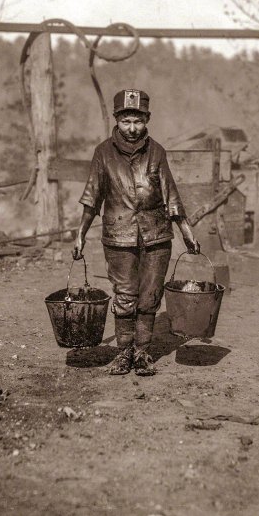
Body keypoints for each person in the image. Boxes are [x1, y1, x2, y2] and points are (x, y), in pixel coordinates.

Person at [72, 89, 200, 376]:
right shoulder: (103, 153)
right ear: (117, 120)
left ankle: (142, 352)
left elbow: (172, 196)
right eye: (127, 121)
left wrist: (186, 231)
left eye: (138, 121)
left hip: (157, 236)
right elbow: (92, 197)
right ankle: (124, 352)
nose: (132, 128)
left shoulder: (157, 152)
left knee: (150, 296)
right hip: (119, 237)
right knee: (125, 295)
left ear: (147, 120)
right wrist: (80, 233)